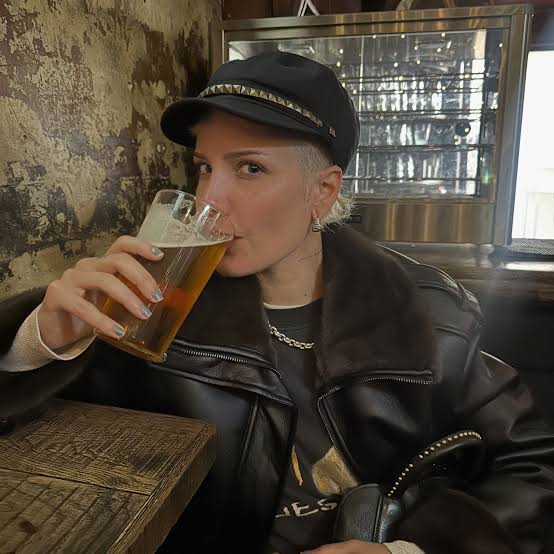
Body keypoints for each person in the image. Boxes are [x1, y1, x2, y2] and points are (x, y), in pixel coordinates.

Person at [0, 52, 553, 554]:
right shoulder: (161, 299)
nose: (209, 199)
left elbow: (533, 464)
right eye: (205, 167)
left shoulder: (427, 312)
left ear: (322, 192)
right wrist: (39, 342)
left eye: (251, 168)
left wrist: (406, 551)